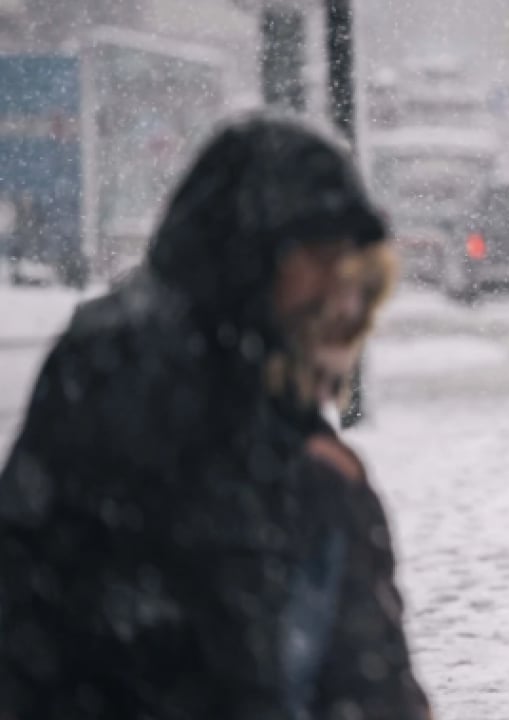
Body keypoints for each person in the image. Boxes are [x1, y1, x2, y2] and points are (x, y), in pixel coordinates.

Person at [0, 113, 431, 720]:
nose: (343, 299)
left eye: (354, 276)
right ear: (252, 258)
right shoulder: (140, 387)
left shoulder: (277, 427)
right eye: (321, 260)